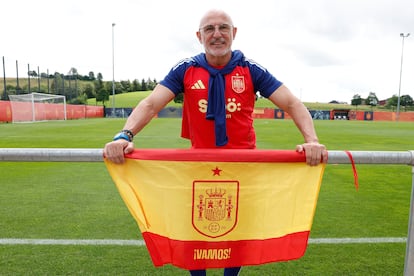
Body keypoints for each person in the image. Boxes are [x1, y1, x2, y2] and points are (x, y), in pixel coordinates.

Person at [104, 9, 328, 276]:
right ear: (199, 36)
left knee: (238, 229)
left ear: (234, 34)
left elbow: (291, 103)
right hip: (199, 165)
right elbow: (151, 104)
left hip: (244, 167)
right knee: (195, 227)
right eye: (209, 29)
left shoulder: (250, 69)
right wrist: (124, 135)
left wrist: (312, 140)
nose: (217, 34)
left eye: (223, 28)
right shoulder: (186, 69)